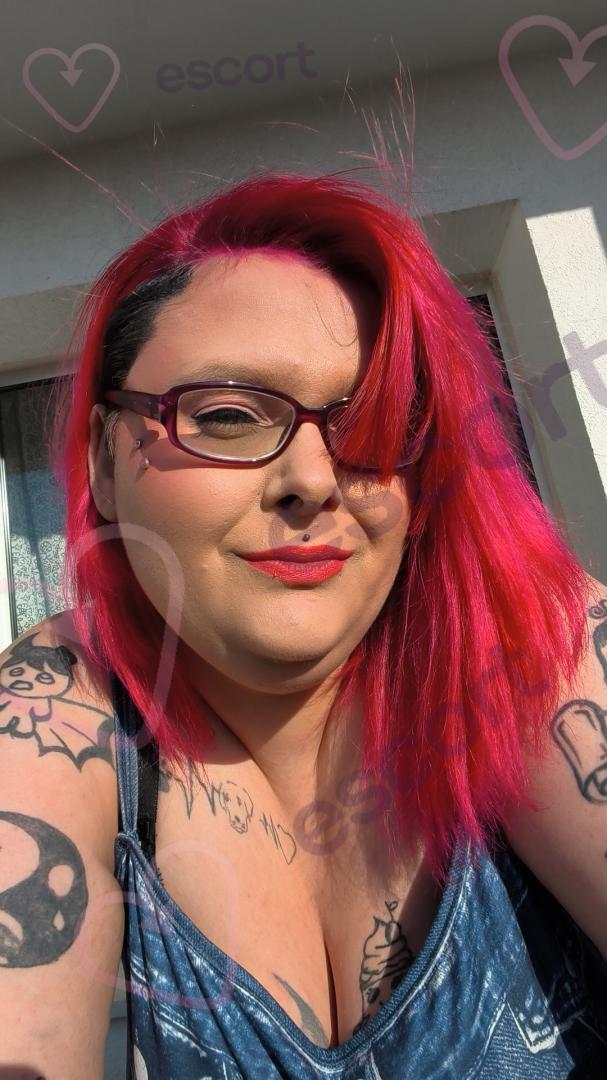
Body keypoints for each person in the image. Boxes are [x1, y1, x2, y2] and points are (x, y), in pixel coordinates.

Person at [1, 171, 606, 1078]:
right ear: (102, 460)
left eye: (375, 423)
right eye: (227, 417)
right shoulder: (55, 706)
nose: (316, 481)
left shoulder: (529, 641)